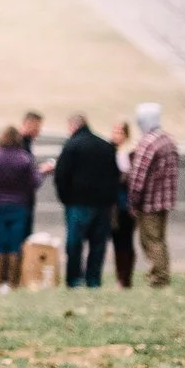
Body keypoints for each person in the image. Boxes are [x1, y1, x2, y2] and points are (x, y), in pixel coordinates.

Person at [51, 114, 119, 287]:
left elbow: (61, 174)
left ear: (73, 126)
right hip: (102, 204)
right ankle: (93, 279)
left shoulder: (71, 145)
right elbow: (115, 175)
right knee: (98, 244)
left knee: (75, 243)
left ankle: (74, 279)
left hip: (77, 203)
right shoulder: (105, 146)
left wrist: (65, 198)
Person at [0, 126, 41, 291]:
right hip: (19, 206)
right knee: (16, 243)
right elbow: (35, 182)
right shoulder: (24, 158)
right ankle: (13, 282)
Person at [126, 102, 178, 287]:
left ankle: (158, 278)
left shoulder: (148, 143)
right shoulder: (168, 140)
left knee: (150, 240)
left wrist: (132, 202)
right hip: (165, 200)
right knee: (160, 240)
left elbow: (138, 177)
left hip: (149, 203)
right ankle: (162, 274)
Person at [109, 118, 138, 289]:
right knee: (117, 241)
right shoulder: (110, 151)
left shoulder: (131, 152)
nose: (116, 135)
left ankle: (126, 278)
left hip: (126, 204)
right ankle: (120, 277)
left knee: (126, 240)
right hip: (114, 205)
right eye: (114, 131)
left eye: (119, 132)